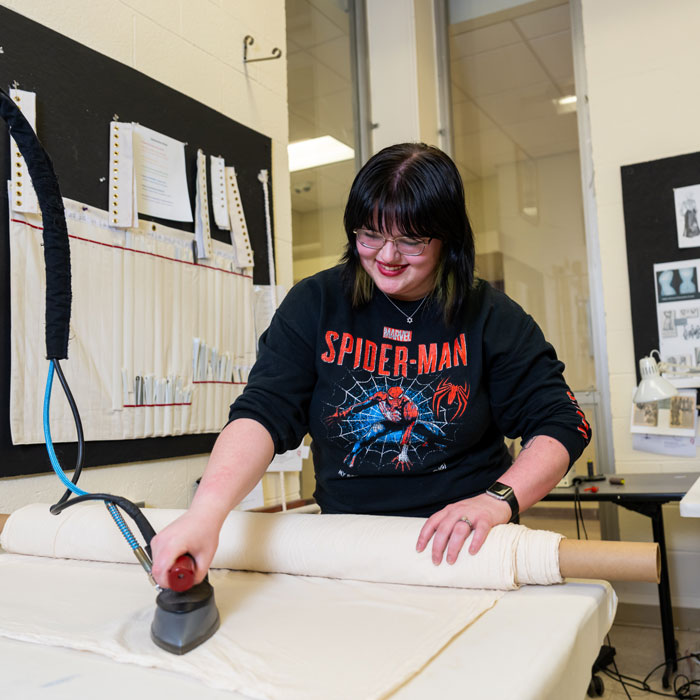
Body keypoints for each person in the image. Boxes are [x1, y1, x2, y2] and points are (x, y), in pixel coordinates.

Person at [151, 143, 591, 586]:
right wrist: (206, 513)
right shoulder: (315, 304)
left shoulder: (492, 317)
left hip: (463, 548)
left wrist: (495, 501)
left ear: (449, 239)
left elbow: (562, 423)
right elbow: (262, 414)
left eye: (411, 241)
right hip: (349, 545)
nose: (386, 256)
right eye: (370, 236)